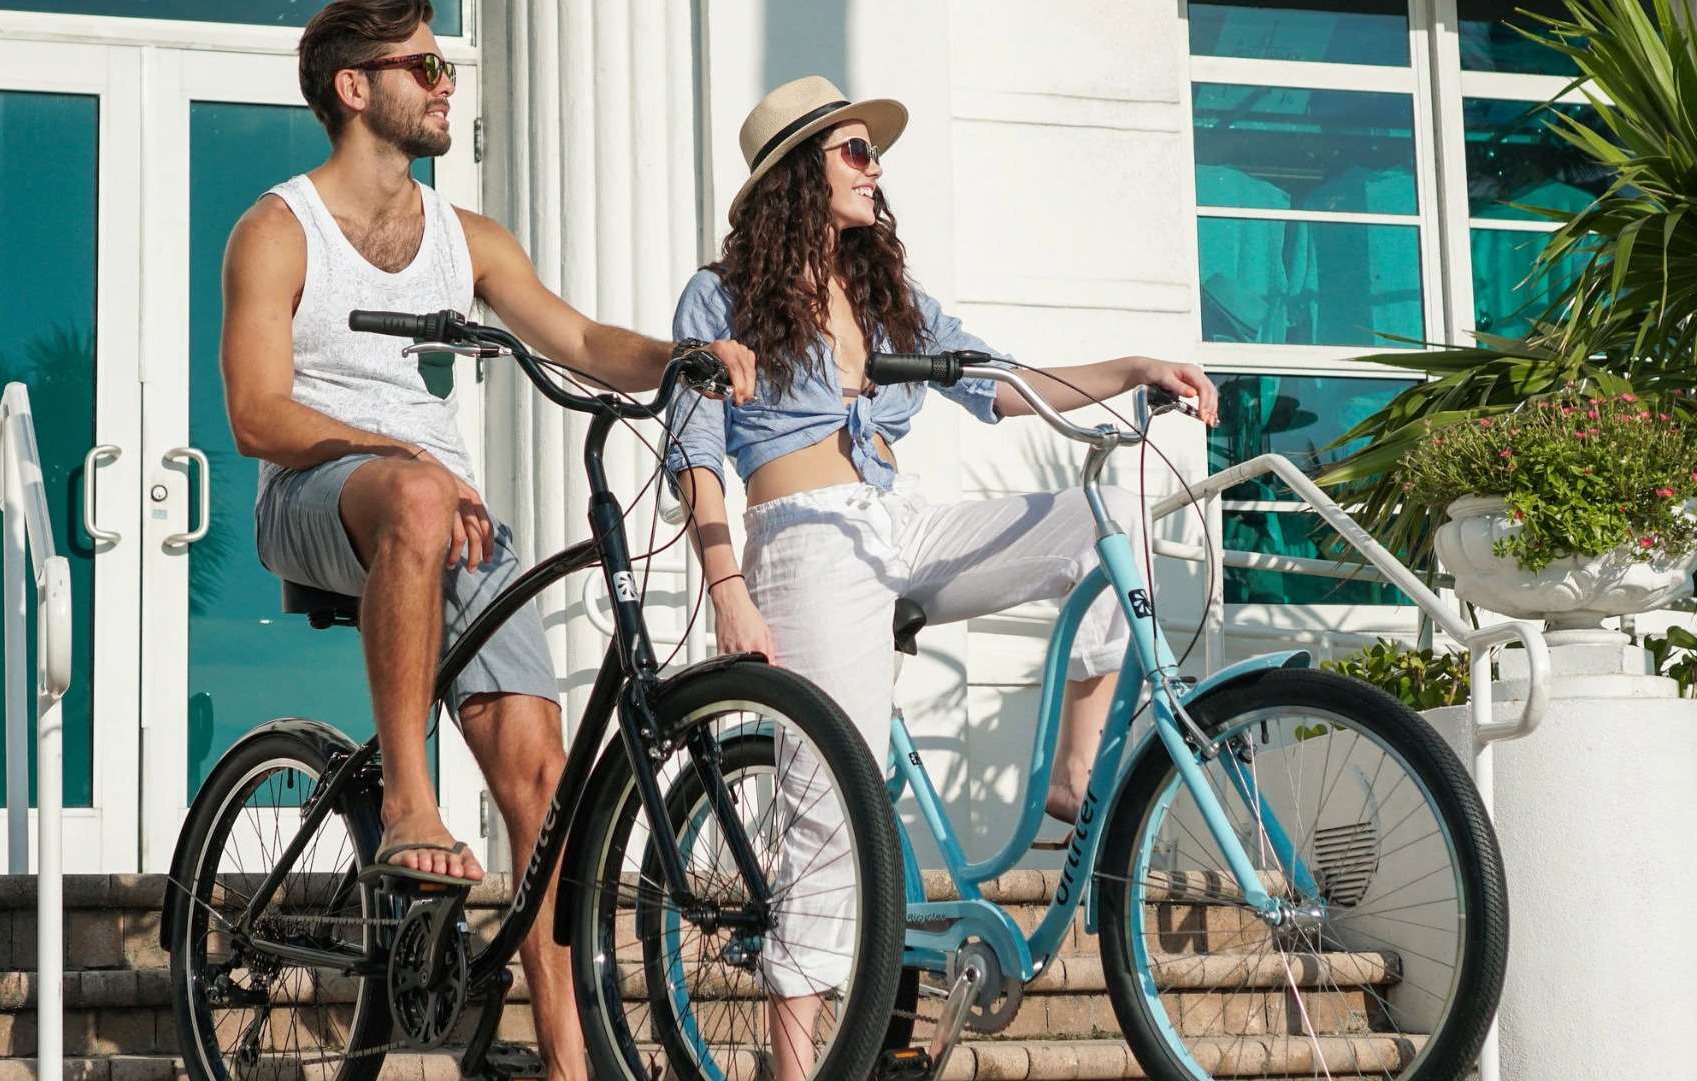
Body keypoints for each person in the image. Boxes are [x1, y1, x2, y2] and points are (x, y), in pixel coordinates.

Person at [217, 3, 754, 1077]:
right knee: (419, 498)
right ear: (353, 89)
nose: (443, 78)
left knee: (540, 790)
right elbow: (254, 412)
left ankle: (568, 1061)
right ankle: (411, 801)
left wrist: (681, 352)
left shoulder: (466, 239)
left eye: (442, 60)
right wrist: (396, 454)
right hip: (320, 493)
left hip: (447, 514)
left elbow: (584, 340)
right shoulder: (279, 229)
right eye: (420, 64)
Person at [664, 75, 1219, 1078]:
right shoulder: (720, 295)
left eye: (873, 153)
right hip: (799, 535)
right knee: (830, 817)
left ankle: (1072, 771)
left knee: (1106, 519)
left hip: (893, 524)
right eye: (853, 151)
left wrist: (1134, 364)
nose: (874, 169)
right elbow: (695, 449)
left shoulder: (887, 302)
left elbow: (1003, 385)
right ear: (799, 171)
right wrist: (724, 585)